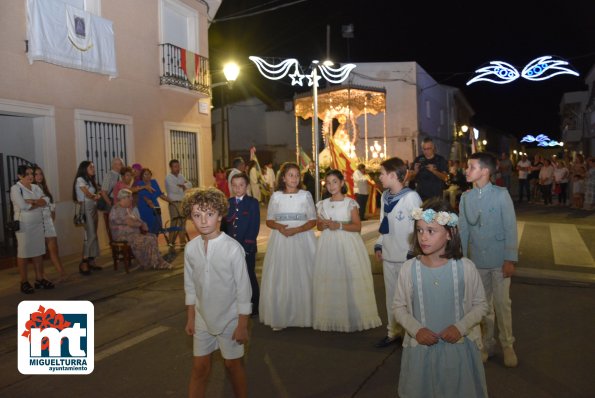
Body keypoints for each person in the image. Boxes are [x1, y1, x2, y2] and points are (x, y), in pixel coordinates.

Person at [394, 198, 488, 398]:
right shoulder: (409, 268)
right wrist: (416, 330)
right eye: (419, 230)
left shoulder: (465, 267)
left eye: (431, 231)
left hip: (458, 350)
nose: (423, 237)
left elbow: (481, 305)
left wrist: (460, 327)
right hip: (421, 350)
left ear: (449, 234)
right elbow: (399, 307)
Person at [183, 187, 252, 398]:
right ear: (191, 217)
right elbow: (190, 286)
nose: (203, 220)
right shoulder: (191, 248)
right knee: (199, 368)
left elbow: (243, 290)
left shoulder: (233, 249)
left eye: (209, 214)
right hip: (203, 318)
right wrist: (191, 318)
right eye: (197, 215)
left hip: (230, 319)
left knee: (232, 366)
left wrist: (242, 325)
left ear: (220, 215)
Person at [459, 152, 519, 367]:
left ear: (485, 171)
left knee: (503, 304)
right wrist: (464, 261)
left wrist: (510, 258)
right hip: (477, 261)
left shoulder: (501, 195)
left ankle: (507, 345)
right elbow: (463, 231)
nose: (466, 170)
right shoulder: (466, 198)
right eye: (467, 167)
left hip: (499, 259)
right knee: (483, 307)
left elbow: (510, 227)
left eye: (471, 167)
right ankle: (488, 343)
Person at [313, 169, 381, 332]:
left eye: (334, 182)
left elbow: (357, 227)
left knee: (349, 275)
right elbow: (319, 225)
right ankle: (332, 316)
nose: (331, 186)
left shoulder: (350, 203)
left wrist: (340, 225)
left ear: (342, 183)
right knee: (331, 276)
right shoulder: (322, 204)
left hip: (347, 243)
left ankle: (353, 314)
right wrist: (322, 225)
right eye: (328, 183)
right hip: (328, 244)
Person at [260, 162, 317, 331]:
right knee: (282, 275)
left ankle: (305, 315)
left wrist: (298, 229)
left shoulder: (305, 195)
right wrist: (279, 227)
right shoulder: (276, 196)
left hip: (302, 238)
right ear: (283, 178)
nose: (294, 178)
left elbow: (313, 220)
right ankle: (281, 315)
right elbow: (269, 220)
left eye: (297, 175)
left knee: (303, 274)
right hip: (281, 239)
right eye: (290, 175)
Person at [373, 157, 422, 347]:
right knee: (391, 296)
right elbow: (383, 225)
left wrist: (413, 250)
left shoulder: (411, 197)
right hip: (389, 255)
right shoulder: (385, 196)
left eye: (382, 174)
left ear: (393, 175)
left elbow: (419, 226)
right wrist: (379, 244)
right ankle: (393, 331)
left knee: (409, 297)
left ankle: (411, 334)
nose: (379, 177)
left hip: (406, 256)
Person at [223, 173, 261, 317]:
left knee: (248, 275)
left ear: (246, 186)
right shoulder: (228, 202)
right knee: (231, 277)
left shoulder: (252, 203)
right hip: (230, 248)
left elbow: (254, 226)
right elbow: (224, 226)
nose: (238, 188)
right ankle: (234, 305)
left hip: (247, 247)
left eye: (241, 185)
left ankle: (254, 305)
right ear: (231, 186)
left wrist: (247, 246)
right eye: (234, 185)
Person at [11, 165, 53, 293]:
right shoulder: (16, 188)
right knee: (23, 253)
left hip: (37, 224)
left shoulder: (35, 187)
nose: (30, 176)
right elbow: (23, 206)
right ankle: (24, 282)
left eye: (31, 173)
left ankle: (39, 279)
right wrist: (37, 202)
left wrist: (33, 201)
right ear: (19, 176)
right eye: (27, 174)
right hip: (24, 226)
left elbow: (46, 200)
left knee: (38, 251)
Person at [109, 189, 172, 270]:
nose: (132, 199)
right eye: (130, 197)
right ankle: (153, 263)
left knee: (152, 236)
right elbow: (130, 222)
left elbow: (136, 219)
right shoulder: (117, 209)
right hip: (122, 236)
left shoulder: (126, 208)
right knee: (148, 239)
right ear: (123, 198)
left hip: (132, 234)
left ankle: (154, 261)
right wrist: (141, 224)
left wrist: (142, 223)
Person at [34, 166, 66, 281]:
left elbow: (52, 208)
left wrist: (51, 219)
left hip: (48, 223)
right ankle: (41, 275)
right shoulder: (31, 190)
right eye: (36, 174)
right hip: (37, 223)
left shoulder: (45, 189)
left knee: (54, 249)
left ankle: (62, 273)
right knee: (39, 251)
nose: (39, 176)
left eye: (40, 174)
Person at [73, 160, 102, 274]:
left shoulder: (91, 180)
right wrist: (95, 196)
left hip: (93, 207)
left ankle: (92, 260)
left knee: (93, 235)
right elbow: (86, 193)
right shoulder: (80, 179)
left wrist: (97, 195)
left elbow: (97, 192)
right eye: (91, 167)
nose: (93, 169)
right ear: (84, 168)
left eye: (93, 167)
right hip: (86, 207)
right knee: (91, 235)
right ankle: (83, 261)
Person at [135, 168, 173, 234]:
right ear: (142, 176)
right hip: (145, 206)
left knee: (157, 223)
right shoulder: (140, 183)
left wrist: (170, 201)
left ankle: (155, 240)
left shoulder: (154, 182)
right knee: (148, 224)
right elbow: (142, 196)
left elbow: (159, 194)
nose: (147, 176)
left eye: (149, 174)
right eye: (145, 174)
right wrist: (148, 201)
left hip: (155, 205)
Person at [165, 159, 192, 248]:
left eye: (178, 166)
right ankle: (171, 242)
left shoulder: (181, 176)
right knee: (175, 222)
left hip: (182, 202)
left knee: (183, 222)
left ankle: (182, 243)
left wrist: (182, 185)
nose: (178, 168)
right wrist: (183, 186)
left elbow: (190, 185)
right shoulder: (168, 178)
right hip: (173, 203)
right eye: (175, 166)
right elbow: (174, 190)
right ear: (171, 168)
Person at [99, 157, 123, 225]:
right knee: (112, 224)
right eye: (120, 164)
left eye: (121, 164)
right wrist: (110, 203)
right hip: (111, 201)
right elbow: (103, 192)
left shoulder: (120, 175)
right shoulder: (109, 175)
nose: (122, 165)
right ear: (114, 165)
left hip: (119, 201)